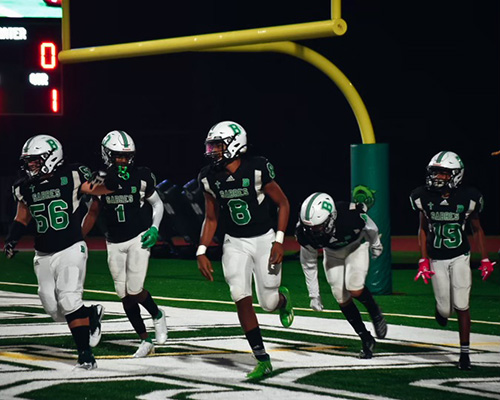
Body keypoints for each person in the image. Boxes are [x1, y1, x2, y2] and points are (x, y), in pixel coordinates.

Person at [3, 134, 111, 370]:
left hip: (71, 246)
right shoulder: (23, 186)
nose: (30, 165)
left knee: (69, 298)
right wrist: (12, 239)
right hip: (42, 253)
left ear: (51, 158)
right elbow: (22, 217)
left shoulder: (71, 175)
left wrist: (102, 180)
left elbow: (95, 190)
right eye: (29, 161)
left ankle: (85, 354)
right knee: (53, 309)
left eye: (35, 160)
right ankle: (90, 314)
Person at [196, 121, 293, 379]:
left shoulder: (258, 168)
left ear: (235, 144)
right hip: (234, 242)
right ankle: (261, 357)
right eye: (212, 146)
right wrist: (201, 250)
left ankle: (282, 301)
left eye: (218, 145)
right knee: (239, 294)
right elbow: (211, 218)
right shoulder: (208, 177)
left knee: (269, 303)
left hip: (264, 239)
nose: (213, 151)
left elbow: (283, 203)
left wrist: (280, 240)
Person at [82, 130, 168, 358]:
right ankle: (144, 340)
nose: (122, 160)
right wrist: (78, 236)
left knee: (135, 289)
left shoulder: (141, 176)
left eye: (126, 156)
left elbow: (158, 204)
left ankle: (157, 315)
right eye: (118, 156)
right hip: (113, 241)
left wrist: (154, 228)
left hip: (138, 237)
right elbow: (93, 212)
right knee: (123, 293)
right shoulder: (101, 179)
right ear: (107, 154)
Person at [410, 150, 495, 370]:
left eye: (443, 173)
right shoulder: (423, 196)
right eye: (435, 172)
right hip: (437, 258)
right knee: (445, 311)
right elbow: (422, 228)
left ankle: (464, 354)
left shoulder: (469, 197)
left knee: (462, 304)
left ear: (456, 175)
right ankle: (440, 309)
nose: (437, 177)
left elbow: (477, 229)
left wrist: (484, 258)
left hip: (460, 256)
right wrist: (423, 260)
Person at [295, 192, 387, 359]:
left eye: (318, 226)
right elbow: (308, 264)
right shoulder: (305, 232)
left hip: (355, 247)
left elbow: (371, 227)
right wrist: (314, 295)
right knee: (340, 296)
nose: (313, 231)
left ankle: (375, 311)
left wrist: (375, 243)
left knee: (355, 288)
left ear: (332, 217)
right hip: (332, 254)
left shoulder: (349, 215)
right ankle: (366, 338)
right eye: (310, 227)